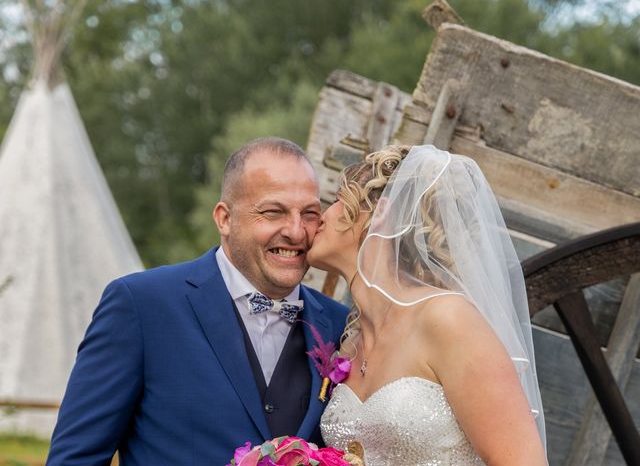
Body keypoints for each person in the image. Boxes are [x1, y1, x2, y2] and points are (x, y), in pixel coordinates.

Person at [46, 138, 349, 465]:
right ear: (224, 219)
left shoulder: (341, 325)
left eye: (309, 213)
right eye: (273, 212)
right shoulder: (141, 306)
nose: (296, 231)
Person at [310, 144, 547, 465]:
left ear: (379, 214)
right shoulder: (350, 345)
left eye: (338, 200)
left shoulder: (448, 319)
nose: (320, 216)